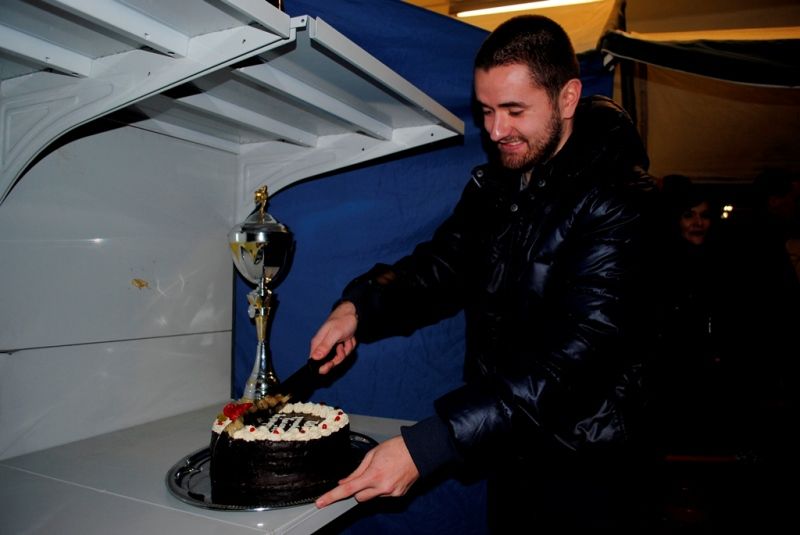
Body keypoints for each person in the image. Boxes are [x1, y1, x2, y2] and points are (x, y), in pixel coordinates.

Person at [309, 15, 660, 532]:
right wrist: (359, 308)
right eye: (487, 111)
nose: (495, 131)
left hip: (590, 464)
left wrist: (434, 442)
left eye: (515, 110)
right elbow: (443, 266)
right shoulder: (501, 184)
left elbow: (578, 358)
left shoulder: (621, 201)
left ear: (567, 98)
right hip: (511, 443)